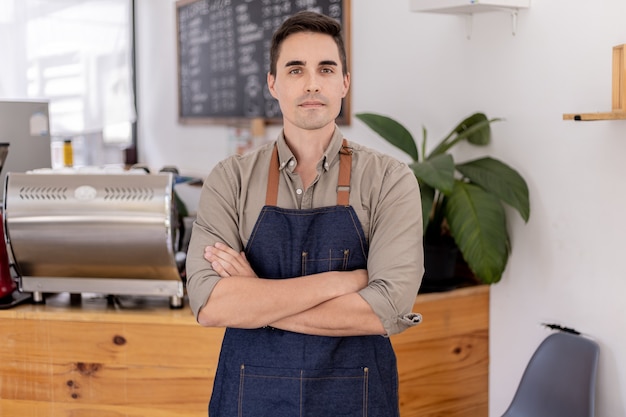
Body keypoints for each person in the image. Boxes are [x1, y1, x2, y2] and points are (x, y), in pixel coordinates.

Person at [185, 10, 424, 417]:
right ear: (273, 84)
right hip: (249, 398)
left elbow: (386, 309)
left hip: (358, 397)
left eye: (326, 69)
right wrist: (342, 282)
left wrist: (257, 295)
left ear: (344, 82)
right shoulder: (231, 179)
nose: (312, 83)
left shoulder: (390, 179)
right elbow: (212, 305)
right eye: (295, 70)